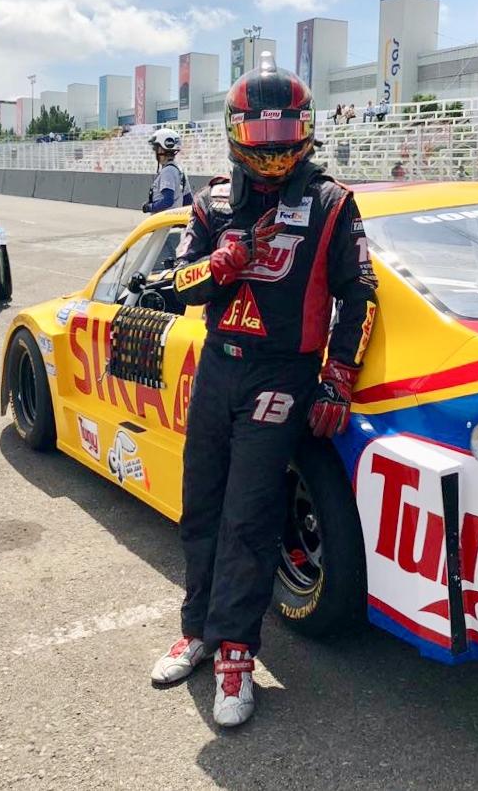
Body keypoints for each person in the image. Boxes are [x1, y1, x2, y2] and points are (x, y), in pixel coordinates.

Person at [150, 52, 378, 727]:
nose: (274, 154)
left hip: (283, 373)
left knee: (249, 517)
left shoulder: (333, 203)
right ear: (235, 136)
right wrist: (222, 262)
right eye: (260, 139)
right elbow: (178, 288)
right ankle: (197, 630)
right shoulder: (211, 201)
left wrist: (337, 378)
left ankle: (236, 656)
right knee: (200, 506)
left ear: (306, 134)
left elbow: (360, 296)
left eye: (285, 139)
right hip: (218, 366)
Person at [141, 128, 193, 213]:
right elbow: (188, 199)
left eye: (156, 148)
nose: (155, 152)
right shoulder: (179, 170)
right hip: (175, 218)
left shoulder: (167, 171)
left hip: (165, 219)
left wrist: (149, 207)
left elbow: (168, 201)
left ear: (161, 150)